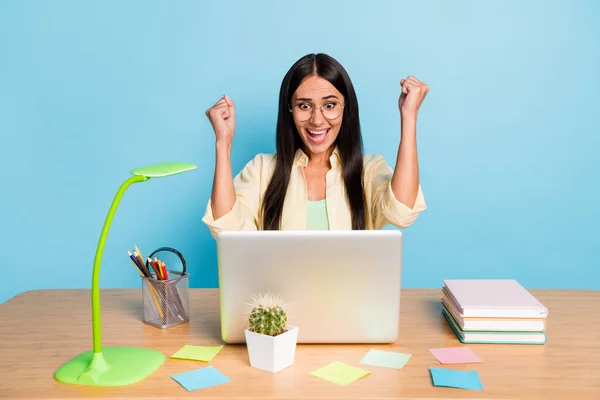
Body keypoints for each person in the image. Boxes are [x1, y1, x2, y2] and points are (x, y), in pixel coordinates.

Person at [202, 53, 427, 238]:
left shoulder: (368, 170)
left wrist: (409, 116)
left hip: (351, 293)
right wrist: (223, 142)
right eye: (304, 106)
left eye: (329, 105)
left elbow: (402, 212)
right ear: (289, 110)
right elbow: (226, 228)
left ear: (345, 108)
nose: (317, 120)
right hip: (279, 294)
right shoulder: (263, 169)